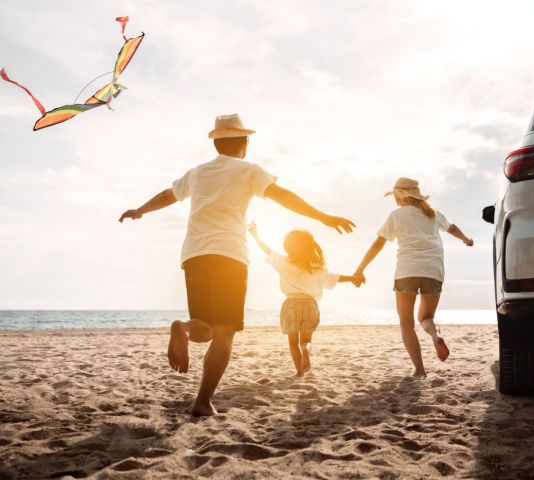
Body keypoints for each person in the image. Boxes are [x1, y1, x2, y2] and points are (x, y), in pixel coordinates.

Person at [119, 114, 355, 416]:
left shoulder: (198, 173)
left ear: (216, 143)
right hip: (229, 255)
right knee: (224, 332)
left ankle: (184, 330)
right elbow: (282, 196)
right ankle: (202, 401)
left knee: (204, 327)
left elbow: (168, 195)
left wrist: (140, 210)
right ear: (244, 144)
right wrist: (322, 216)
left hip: (194, 254)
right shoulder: (248, 171)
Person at [353, 177, 473, 378]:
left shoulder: (397, 215)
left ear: (401, 196)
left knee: (406, 324)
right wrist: (466, 239)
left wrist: (360, 269)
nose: (395, 201)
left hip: (407, 272)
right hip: (433, 271)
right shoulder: (434, 214)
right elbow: (452, 228)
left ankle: (419, 369)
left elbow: (378, 244)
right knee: (426, 318)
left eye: (395, 197)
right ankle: (436, 335)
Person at [248, 223, 360, 377]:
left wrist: (255, 235)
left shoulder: (284, 262)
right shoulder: (317, 267)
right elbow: (335, 278)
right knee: (305, 341)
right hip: (310, 305)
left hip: (291, 305)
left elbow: (267, 250)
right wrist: (352, 278)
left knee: (293, 343)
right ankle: (306, 350)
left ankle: (299, 372)